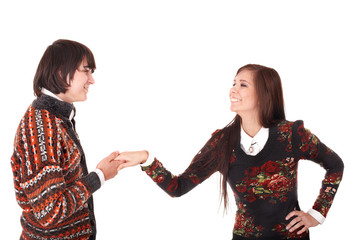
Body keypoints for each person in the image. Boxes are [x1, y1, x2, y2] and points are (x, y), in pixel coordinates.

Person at [115, 64, 344, 240]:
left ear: (264, 93)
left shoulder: (292, 134)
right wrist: (147, 160)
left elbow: (335, 165)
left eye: (243, 84)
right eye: (233, 83)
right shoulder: (222, 142)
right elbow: (179, 187)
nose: (233, 90)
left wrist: (316, 214)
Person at [10, 39, 121, 240]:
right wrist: (100, 175)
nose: (92, 80)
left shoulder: (55, 119)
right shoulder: (41, 129)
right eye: (86, 71)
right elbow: (50, 212)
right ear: (61, 71)